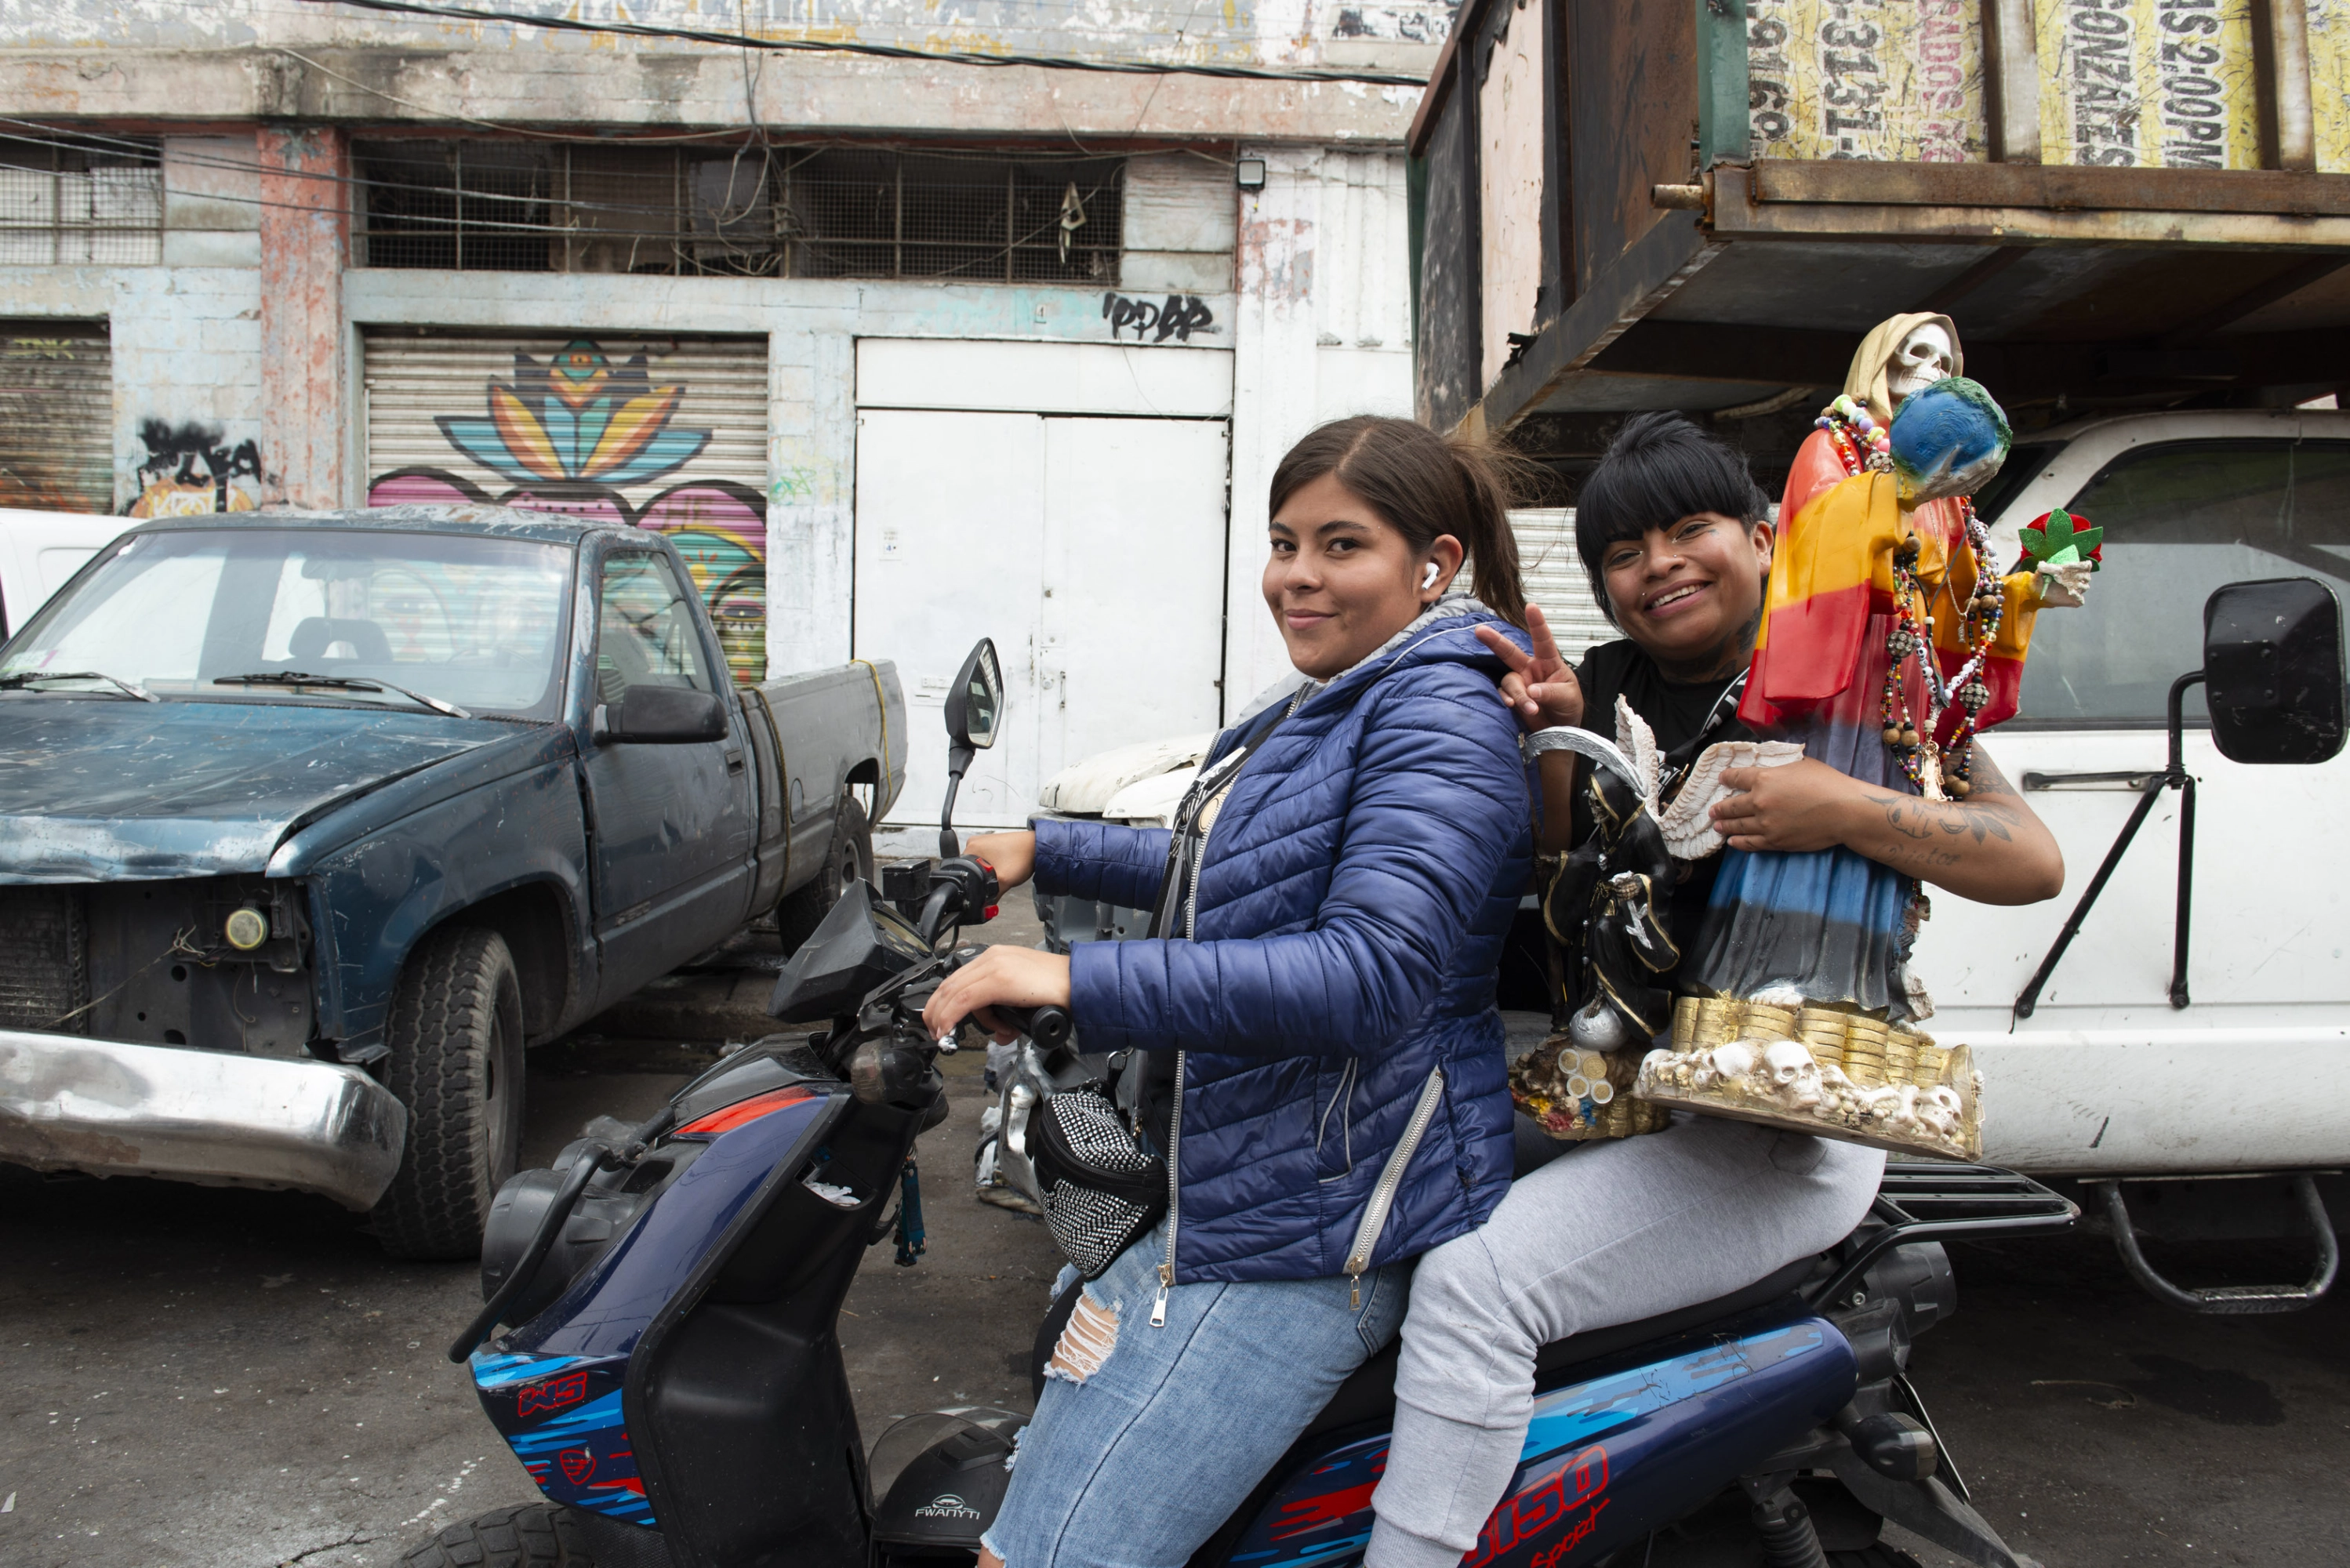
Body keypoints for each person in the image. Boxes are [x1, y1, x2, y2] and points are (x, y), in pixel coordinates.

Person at [1363, 412, 2065, 1568]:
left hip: (1777, 1134)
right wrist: (1557, 741)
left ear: (1762, 532)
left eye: (1692, 530)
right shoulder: (1593, 683)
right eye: (1626, 554)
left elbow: (2028, 859)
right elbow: (1550, 883)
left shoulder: (1858, 676)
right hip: (1614, 1089)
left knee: (1475, 1285)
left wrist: (1845, 811)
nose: (1661, 567)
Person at [921, 415, 1538, 1568]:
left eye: (1341, 545)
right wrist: (1042, 850)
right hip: (1238, 1173)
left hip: (1307, 1228)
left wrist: (1072, 974)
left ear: (1434, 565)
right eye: (1284, 541)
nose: (1297, 577)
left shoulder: (1438, 715)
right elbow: (1248, 877)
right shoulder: (1345, 691)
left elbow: (1366, 973)